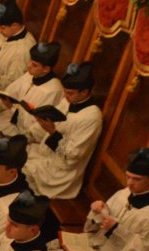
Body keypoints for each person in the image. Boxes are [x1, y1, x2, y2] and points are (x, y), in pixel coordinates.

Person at [22, 62, 101, 200]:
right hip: (43, 155)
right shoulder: (68, 101)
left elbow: (72, 156)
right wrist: (27, 136)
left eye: (70, 93)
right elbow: (50, 124)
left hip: (60, 173)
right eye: (65, 91)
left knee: (17, 176)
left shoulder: (92, 117)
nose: (65, 96)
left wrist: (52, 132)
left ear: (85, 92)